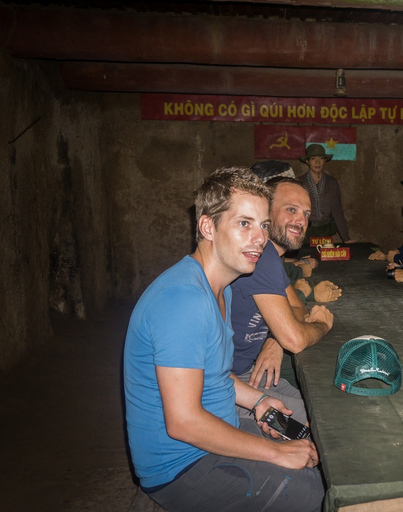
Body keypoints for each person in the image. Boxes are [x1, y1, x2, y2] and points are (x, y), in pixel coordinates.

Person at [123, 167, 324, 512]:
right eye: (244, 223)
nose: (259, 238)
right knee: (309, 490)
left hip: (214, 429)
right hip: (181, 466)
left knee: (310, 441)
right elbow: (184, 422)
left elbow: (215, 376)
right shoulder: (183, 300)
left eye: (262, 225)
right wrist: (275, 452)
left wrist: (259, 401)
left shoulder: (220, 288)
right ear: (207, 227)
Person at [230, 176, 338, 408]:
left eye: (307, 214)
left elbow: (297, 306)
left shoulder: (271, 255)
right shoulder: (260, 254)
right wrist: (322, 325)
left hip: (248, 372)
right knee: (322, 417)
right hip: (228, 381)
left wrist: (275, 339)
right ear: (266, 211)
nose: (301, 220)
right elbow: (295, 340)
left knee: (320, 409)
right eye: (291, 209)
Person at [299, 144, 356, 243]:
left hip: (325, 231)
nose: (317, 162)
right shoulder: (300, 182)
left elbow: (337, 211)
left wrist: (346, 239)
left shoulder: (331, 183)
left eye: (321, 158)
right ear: (307, 162)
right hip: (305, 231)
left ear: (325, 160)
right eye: (313, 158)